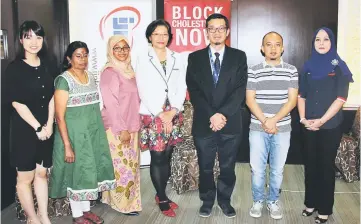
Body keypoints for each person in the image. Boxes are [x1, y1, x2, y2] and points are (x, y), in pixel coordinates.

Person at [186, 13, 248, 218]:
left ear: (227, 31)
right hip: (205, 122)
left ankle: (224, 200)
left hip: (230, 123)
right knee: (205, 166)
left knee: (227, 167)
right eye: (212, 28)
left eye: (221, 28)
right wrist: (212, 115)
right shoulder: (194, 58)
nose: (217, 32)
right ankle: (206, 200)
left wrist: (222, 115)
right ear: (206, 32)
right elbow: (194, 91)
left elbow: (240, 91)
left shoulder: (239, 57)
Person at [49, 41, 116, 224]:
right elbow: (60, 117)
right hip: (74, 137)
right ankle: (77, 215)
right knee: (76, 174)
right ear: (69, 58)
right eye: (78, 55)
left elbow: (96, 108)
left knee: (88, 172)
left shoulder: (91, 77)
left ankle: (86, 211)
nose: (83, 59)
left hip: (92, 134)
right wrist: (67, 146)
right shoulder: (64, 80)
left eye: (85, 55)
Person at [298, 27, 353, 224]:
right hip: (308, 124)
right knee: (310, 165)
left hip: (330, 125)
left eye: (326, 39)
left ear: (332, 42)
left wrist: (321, 121)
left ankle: (324, 208)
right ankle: (310, 203)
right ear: (313, 43)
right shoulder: (307, 66)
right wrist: (303, 119)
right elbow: (301, 95)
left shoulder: (339, 66)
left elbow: (340, 98)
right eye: (318, 40)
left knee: (325, 166)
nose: (321, 43)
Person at [134, 19, 187, 217]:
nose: (161, 38)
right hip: (153, 112)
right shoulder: (141, 56)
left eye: (164, 34)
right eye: (156, 34)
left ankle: (160, 193)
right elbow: (141, 87)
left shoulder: (177, 57)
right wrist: (160, 113)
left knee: (167, 154)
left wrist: (174, 110)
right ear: (150, 36)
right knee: (157, 156)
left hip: (173, 112)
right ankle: (162, 197)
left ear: (169, 37)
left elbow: (182, 86)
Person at [4, 20, 54, 224]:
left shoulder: (49, 65)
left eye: (38, 36)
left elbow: (53, 97)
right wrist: (37, 127)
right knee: (25, 178)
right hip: (24, 130)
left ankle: (44, 216)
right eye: (28, 36)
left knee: (42, 174)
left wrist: (49, 124)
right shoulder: (14, 69)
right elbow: (17, 103)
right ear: (20, 40)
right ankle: (32, 219)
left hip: (47, 128)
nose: (34, 41)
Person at [246, 32, 298, 220]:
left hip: (282, 128)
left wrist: (274, 120)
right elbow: (250, 100)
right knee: (257, 169)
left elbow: (292, 101)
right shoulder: (253, 70)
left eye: (277, 45)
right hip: (258, 128)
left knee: (277, 169)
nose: (273, 48)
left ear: (283, 48)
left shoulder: (291, 70)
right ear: (262, 48)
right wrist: (265, 121)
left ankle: (273, 201)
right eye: (269, 44)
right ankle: (258, 200)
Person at [100, 35, 141, 216]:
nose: (122, 51)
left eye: (125, 47)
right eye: (117, 48)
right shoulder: (110, 72)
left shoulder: (129, 71)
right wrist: (122, 129)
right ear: (111, 50)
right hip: (118, 128)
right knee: (123, 168)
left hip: (132, 125)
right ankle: (123, 205)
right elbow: (111, 104)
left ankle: (115, 200)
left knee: (129, 166)